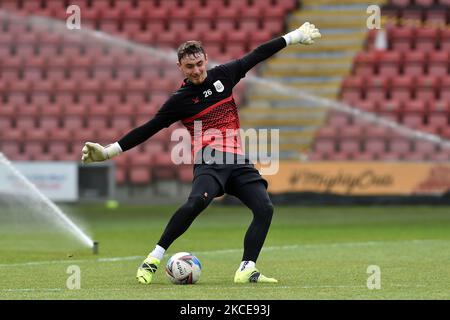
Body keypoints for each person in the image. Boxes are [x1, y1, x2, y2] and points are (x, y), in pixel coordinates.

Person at [81, 22, 321, 284]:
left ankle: (246, 269)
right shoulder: (180, 100)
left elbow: (257, 54)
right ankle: (153, 258)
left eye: (199, 64)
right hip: (210, 159)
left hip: (237, 160)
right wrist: (108, 152)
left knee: (264, 207)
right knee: (196, 203)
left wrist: (294, 36)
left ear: (206, 60)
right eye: (189, 67)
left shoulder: (225, 75)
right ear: (180, 68)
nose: (196, 71)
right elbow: (149, 128)